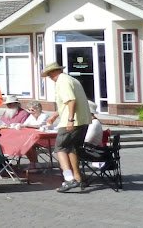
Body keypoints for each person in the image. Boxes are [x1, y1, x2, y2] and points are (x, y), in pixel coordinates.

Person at [42, 62, 91, 193]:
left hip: (71, 121)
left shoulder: (62, 81)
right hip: (83, 120)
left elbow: (71, 101)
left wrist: (70, 119)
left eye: (48, 75)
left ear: (53, 72)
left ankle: (69, 179)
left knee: (60, 147)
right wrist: (54, 115)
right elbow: (68, 103)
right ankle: (78, 178)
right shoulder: (72, 80)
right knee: (71, 148)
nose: (49, 78)